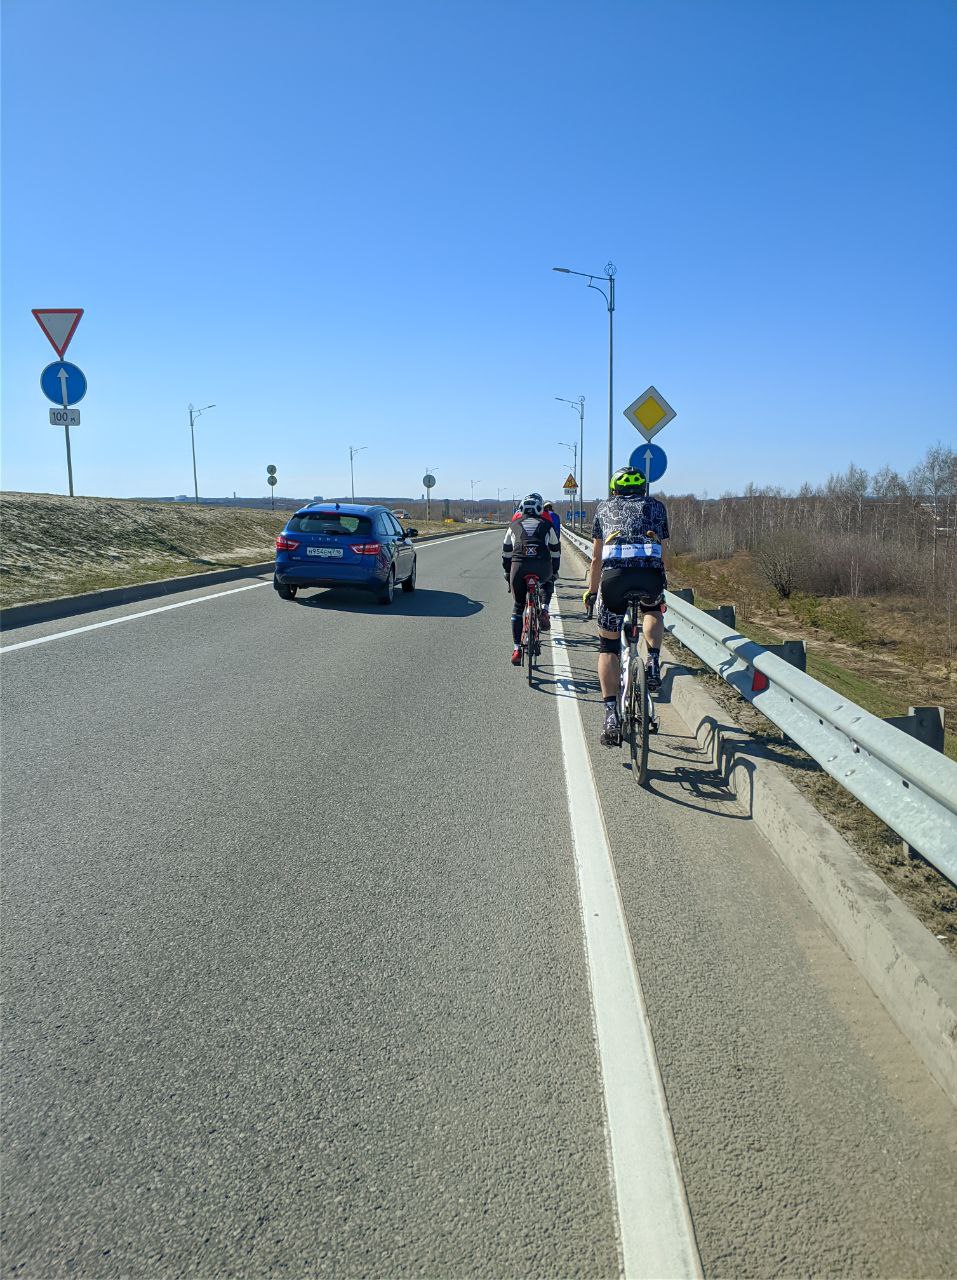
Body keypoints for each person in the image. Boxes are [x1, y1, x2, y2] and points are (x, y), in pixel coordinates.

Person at [582, 467, 669, 745]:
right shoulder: (657, 507)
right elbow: (662, 550)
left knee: (608, 647)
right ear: (643, 488)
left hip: (615, 580)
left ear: (614, 490)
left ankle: (611, 715)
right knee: (652, 610)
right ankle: (652, 660)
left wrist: (592, 592)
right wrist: (660, 581)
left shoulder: (604, 508)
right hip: (649, 577)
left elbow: (596, 558)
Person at [503, 494, 561, 664]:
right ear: (539, 510)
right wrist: (555, 571)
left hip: (518, 568)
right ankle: (544, 609)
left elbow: (506, 553)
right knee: (548, 581)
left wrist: (507, 572)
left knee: (518, 607)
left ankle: (516, 649)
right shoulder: (547, 525)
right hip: (542, 566)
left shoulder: (513, 525)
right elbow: (555, 551)